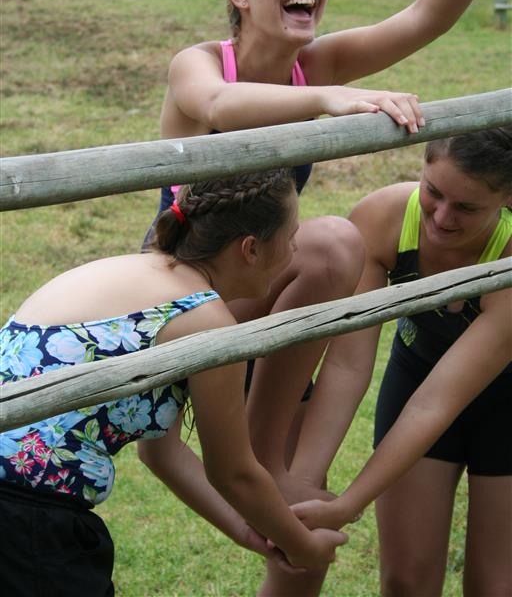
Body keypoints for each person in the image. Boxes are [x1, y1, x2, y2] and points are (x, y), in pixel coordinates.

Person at [144, 0, 511, 595]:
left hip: (262, 295)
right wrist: (331, 98)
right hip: (188, 299)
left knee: (300, 537)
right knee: (334, 243)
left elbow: (425, 17)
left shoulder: (313, 64)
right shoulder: (203, 62)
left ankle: (284, 472)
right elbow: (217, 103)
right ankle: (267, 469)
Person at [0, 169, 348, 597]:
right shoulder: (205, 320)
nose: (295, 249)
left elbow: (162, 453)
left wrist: (248, 532)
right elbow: (234, 472)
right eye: (291, 237)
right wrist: (304, 547)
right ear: (251, 249)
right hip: (27, 521)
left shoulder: (133, 272)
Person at [290, 127, 512, 597]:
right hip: (417, 374)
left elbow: (438, 402)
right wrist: (306, 480)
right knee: (407, 582)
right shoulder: (384, 217)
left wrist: (348, 504)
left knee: (496, 587)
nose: (443, 217)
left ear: (507, 198)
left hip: (505, 407)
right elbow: (347, 364)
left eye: (467, 207)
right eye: (434, 192)